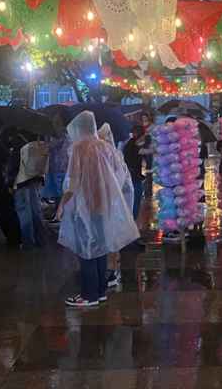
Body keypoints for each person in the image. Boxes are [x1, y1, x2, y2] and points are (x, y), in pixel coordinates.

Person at [56, 112, 139, 307]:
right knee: (101, 248)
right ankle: (100, 291)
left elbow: (74, 181)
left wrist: (63, 203)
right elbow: (120, 175)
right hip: (105, 206)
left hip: (85, 207)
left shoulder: (79, 148)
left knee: (86, 250)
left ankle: (89, 295)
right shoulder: (106, 147)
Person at [97, 122, 134, 289]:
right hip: (111, 206)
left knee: (111, 240)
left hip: (114, 206)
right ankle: (109, 270)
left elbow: (119, 184)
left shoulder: (113, 156)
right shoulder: (109, 155)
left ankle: (111, 272)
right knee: (109, 240)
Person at [13, 133, 49, 249]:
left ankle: (28, 243)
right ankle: (41, 240)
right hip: (36, 180)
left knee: (24, 214)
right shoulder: (43, 146)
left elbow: (14, 166)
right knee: (36, 211)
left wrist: (9, 183)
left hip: (22, 181)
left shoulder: (21, 145)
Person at [43, 113, 71, 204]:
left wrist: (46, 142)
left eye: (57, 121)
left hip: (60, 167)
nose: (54, 122)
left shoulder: (62, 133)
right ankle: (58, 210)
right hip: (55, 166)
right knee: (56, 190)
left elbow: (50, 146)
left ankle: (60, 212)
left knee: (59, 190)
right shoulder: (56, 133)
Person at [123, 125, 147, 220]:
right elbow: (142, 152)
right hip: (134, 178)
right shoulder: (133, 145)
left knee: (132, 202)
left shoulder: (130, 144)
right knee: (135, 202)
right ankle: (132, 224)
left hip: (131, 177)